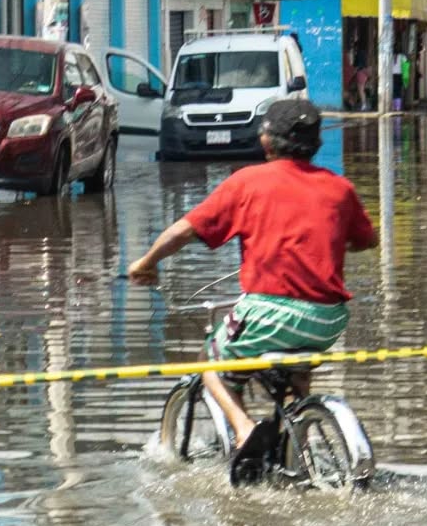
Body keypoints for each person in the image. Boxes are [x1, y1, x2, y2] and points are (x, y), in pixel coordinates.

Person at [127, 99, 377, 458]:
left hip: (268, 314)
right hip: (328, 321)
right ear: (317, 143)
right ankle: (297, 448)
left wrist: (146, 261)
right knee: (296, 370)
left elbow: (184, 231)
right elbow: (367, 240)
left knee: (210, 360)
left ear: (266, 142)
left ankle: (244, 431)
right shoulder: (340, 189)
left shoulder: (247, 182)